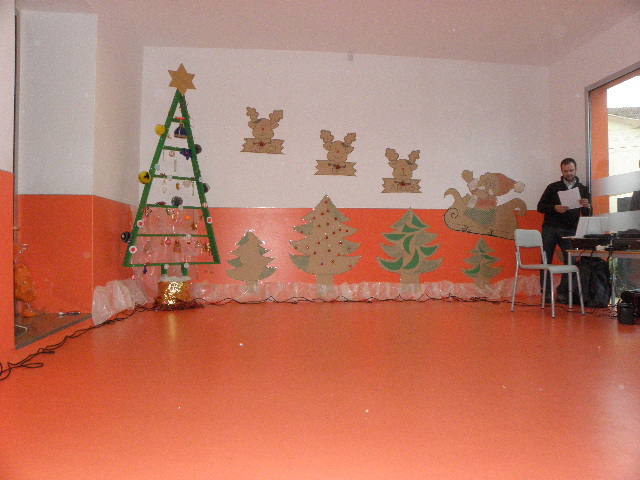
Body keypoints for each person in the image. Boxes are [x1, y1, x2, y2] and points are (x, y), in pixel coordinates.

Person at [537, 158, 591, 302]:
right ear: (561, 171)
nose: (568, 173)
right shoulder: (553, 187)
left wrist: (586, 206)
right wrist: (554, 208)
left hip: (570, 230)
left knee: (571, 261)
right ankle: (546, 292)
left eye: (571, 170)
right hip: (550, 228)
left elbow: (587, 214)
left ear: (576, 169)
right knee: (546, 259)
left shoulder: (583, 189)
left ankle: (564, 292)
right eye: (565, 171)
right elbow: (540, 207)